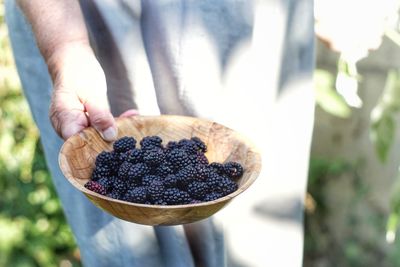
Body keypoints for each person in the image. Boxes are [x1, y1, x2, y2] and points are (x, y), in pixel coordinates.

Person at [5, 0, 315, 266]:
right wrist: (66, 49)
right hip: (76, 20)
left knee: (254, 226)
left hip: (247, 21)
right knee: (128, 244)